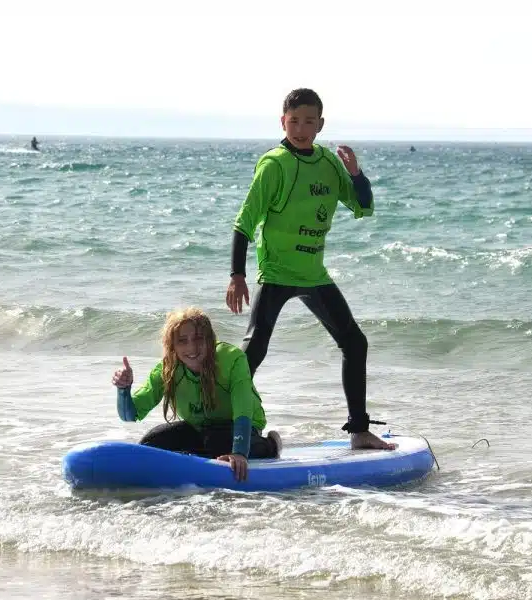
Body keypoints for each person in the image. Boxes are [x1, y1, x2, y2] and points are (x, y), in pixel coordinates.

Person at [225, 88, 395, 451]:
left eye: (309, 121)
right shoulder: (274, 165)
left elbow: (363, 208)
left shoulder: (328, 164)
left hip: (313, 274)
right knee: (254, 348)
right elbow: (244, 222)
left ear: (321, 124)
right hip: (276, 272)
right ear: (282, 121)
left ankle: (360, 431)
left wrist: (357, 174)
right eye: (294, 121)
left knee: (355, 343)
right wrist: (236, 275)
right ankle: (226, 422)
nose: (301, 129)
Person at [112, 307, 281, 481]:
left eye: (199, 338)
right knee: (150, 443)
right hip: (201, 429)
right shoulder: (168, 369)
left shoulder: (232, 359)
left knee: (216, 441)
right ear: (173, 346)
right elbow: (130, 415)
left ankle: (270, 446)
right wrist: (123, 389)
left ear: (210, 340)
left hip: (242, 427)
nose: (192, 347)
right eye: (182, 341)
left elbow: (243, 410)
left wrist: (239, 453)